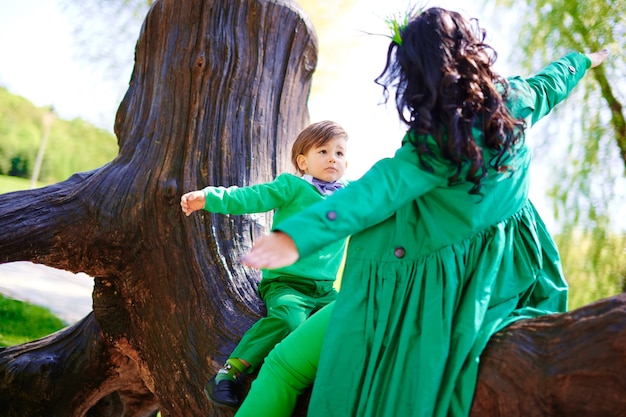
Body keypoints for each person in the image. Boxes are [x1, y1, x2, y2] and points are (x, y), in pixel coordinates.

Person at [235, 7, 609, 417]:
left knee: (284, 367)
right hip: (507, 275)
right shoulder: (516, 104)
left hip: (417, 287)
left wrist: (292, 238)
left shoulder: (430, 148)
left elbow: (367, 197)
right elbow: (551, 82)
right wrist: (585, 60)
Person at [180, 120, 349, 409]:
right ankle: (229, 373)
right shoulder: (293, 187)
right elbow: (252, 197)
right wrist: (209, 197)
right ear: (303, 162)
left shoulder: (350, 198)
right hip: (288, 283)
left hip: (324, 290)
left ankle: (335, 389)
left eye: (340, 153)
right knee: (288, 321)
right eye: (323, 151)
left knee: (347, 322)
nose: (333, 158)